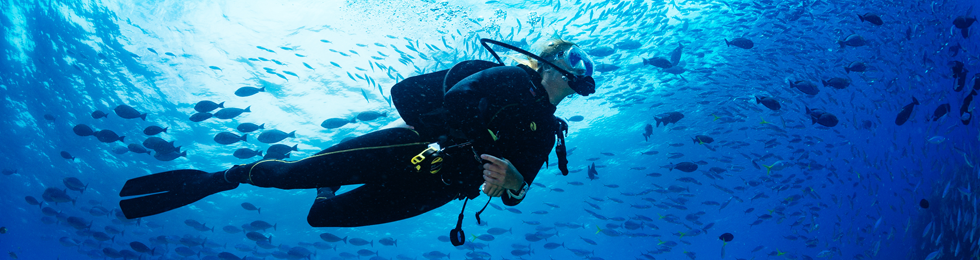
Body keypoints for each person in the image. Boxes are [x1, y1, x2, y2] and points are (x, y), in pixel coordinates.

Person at [118, 38, 596, 243]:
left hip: (443, 187)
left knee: (324, 215)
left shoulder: (549, 132)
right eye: (576, 57)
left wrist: (511, 184)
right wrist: (466, 139)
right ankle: (226, 176)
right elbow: (449, 97)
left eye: (588, 65)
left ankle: (328, 189)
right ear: (551, 62)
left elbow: (517, 192)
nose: (584, 69)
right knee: (289, 176)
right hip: (413, 148)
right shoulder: (509, 79)